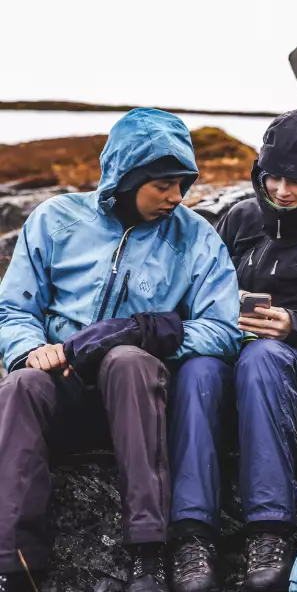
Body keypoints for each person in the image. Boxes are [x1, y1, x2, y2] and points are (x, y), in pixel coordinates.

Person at [0, 109, 241, 592]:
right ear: (127, 179)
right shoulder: (55, 219)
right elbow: (14, 309)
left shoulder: (195, 237)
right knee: (21, 384)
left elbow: (223, 329)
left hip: (141, 400)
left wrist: (142, 331)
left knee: (126, 360)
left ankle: (147, 554)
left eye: (183, 184)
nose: (177, 197)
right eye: (164, 185)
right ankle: (15, 565)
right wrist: (30, 350)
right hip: (63, 389)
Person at [167, 110, 297, 592]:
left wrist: (293, 326)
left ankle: (269, 531)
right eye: (273, 177)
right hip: (232, 360)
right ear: (258, 172)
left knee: (263, 358)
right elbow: (197, 290)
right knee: (198, 369)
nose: (282, 190)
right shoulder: (239, 219)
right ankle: (192, 535)